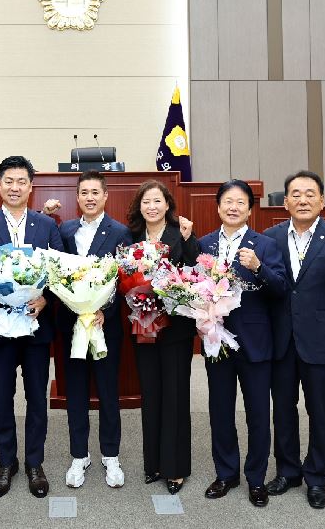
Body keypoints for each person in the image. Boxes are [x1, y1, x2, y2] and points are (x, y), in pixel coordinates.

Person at [263, 171, 325, 509]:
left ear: (321, 200)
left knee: (320, 411)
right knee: (283, 409)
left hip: (320, 338)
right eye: (295, 194)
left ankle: (318, 477)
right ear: (285, 202)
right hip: (280, 339)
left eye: (309, 194)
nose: (302, 200)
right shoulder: (270, 238)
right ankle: (288, 471)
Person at [0, 156, 64, 499]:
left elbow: (59, 271)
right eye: (9, 181)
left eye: (21, 181)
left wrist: (45, 300)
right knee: (1, 398)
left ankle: (34, 463)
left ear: (30, 187)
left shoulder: (46, 225)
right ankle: (6, 462)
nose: (15, 187)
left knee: (36, 398)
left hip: (35, 325)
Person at [199, 179, 287, 507]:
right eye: (228, 201)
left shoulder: (265, 245)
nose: (233, 207)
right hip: (217, 340)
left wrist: (259, 267)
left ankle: (256, 479)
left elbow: (280, 289)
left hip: (255, 341)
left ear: (250, 209)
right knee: (220, 411)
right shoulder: (205, 244)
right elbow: (195, 289)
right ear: (218, 207)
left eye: (240, 202)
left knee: (258, 413)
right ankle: (226, 474)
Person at [56, 170, 131, 489]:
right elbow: (56, 274)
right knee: (75, 393)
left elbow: (124, 280)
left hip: (105, 326)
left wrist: (104, 310)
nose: (89, 197)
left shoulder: (121, 232)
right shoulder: (65, 230)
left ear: (105, 196)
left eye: (94, 192)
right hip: (72, 325)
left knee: (108, 392)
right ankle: (79, 455)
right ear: (77, 197)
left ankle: (111, 455)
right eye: (84, 192)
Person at [126, 180, 198, 495]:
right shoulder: (132, 237)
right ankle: (153, 464)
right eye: (146, 201)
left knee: (175, 396)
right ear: (139, 206)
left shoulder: (180, 233)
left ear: (167, 205)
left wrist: (188, 239)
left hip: (175, 329)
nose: (152, 207)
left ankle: (176, 468)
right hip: (143, 327)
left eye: (157, 201)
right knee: (151, 394)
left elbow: (195, 272)